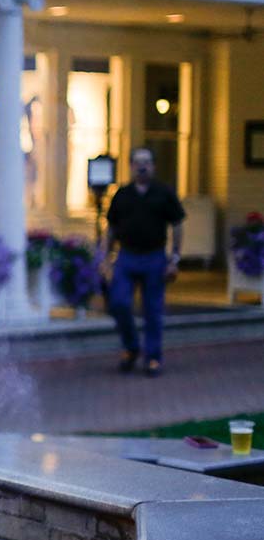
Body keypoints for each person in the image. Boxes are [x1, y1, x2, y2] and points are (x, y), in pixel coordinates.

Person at [103, 147, 185, 377]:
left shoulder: (164, 193)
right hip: (126, 256)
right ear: (130, 166)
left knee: (153, 310)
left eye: (147, 162)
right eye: (138, 162)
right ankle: (131, 348)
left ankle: (153, 358)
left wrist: (175, 258)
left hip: (154, 257)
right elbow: (111, 228)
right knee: (118, 302)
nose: (142, 166)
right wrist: (106, 259)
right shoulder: (122, 195)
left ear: (154, 166)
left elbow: (177, 225)